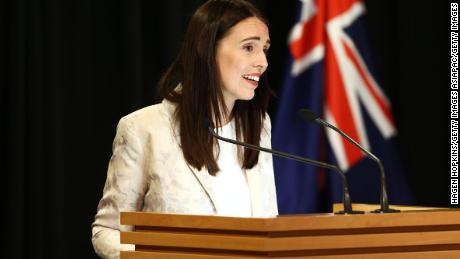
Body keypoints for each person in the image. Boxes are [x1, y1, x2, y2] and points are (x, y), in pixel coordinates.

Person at [91, 0, 278, 258]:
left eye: (264, 49)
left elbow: (268, 223)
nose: (263, 62)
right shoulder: (144, 128)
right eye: (249, 47)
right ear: (207, 49)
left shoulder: (259, 127)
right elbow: (107, 231)